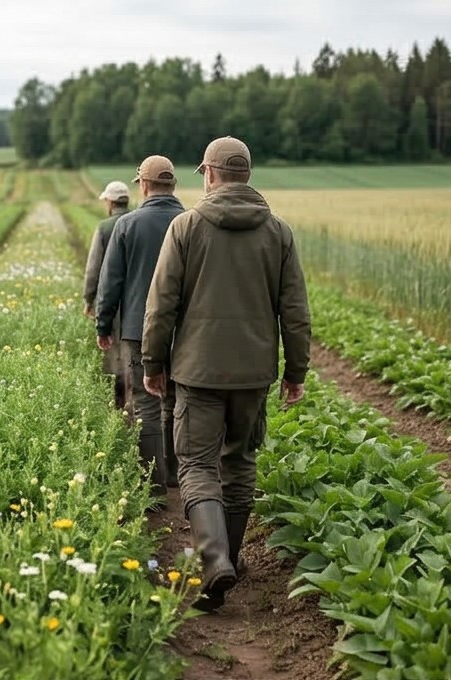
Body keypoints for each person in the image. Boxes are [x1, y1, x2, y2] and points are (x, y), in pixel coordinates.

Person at [141, 136, 311, 612]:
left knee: (196, 464)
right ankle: (228, 557)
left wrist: (153, 363)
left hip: (197, 372)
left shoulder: (186, 227)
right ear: (247, 174)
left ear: (210, 174)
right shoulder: (278, 232)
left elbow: (162, 305)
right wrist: (295, 370)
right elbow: (294, 311)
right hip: (254, 374)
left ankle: (214, 563)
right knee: (239, 463)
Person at [95, 155, 185, 501]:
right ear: (173, 185)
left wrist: (104, 324)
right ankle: (177, 472)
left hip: (137, 329)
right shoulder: (190, 221)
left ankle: (154, 484)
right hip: (183, 328)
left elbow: (110, 282)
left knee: (146, 402)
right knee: (176, 398)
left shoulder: (127, 225)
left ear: (143, 186)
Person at [83, 180, 132, 405]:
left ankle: (120, 395)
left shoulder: (104, 227)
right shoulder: (136, 222)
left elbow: (94, 268)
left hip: (113, 296)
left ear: (110, 203)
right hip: (138, 296)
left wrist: (89, 299)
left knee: (115, 349)